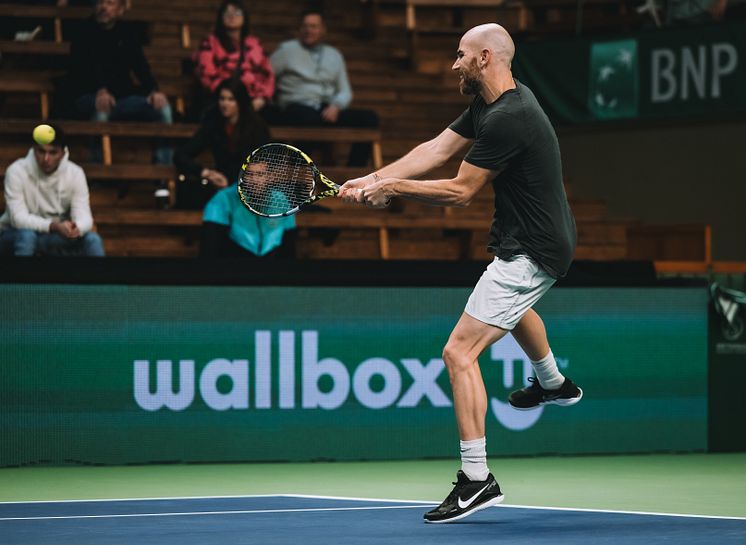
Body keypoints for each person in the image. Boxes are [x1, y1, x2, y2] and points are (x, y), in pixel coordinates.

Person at [340, 23, 581, 523]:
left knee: (458, 351)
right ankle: (554, 383)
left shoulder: (509, 118)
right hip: (535, 239)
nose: (454, 64)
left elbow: (460, 189)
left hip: (532, 249)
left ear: (485, 58)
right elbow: (437, 147)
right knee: (511, 309)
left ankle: (477, 479)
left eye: (460, 55)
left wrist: (398, 189)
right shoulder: (494, 104)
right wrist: (376, 178)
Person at [173, 78, 295, 257]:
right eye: (222, 99)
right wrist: (206, 173)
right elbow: (181, 155)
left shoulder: (256, 126)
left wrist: (242, 180)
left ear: (240, 102)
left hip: (251, 187)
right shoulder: (213, 123)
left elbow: (262, 162)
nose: (225, 104)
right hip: (222, 186)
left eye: (230, 99)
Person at [66, 0, 172, 164]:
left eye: (110, 3)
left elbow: (141, 66)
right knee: (102, 111)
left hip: (122, 97)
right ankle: (98, 169)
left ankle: (163, 172)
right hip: (87, 95)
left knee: (163, 109)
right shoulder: (82, 32)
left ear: (120, 10)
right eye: (100, 3)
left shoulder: (127, 33)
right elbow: (80, 70)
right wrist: (100, 90)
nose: (103, 7)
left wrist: (154, 90)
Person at [268, 9, 379, 167]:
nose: (309, 30)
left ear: (323, 30)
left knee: (369, 119)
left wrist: (336, 106)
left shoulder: (334, 55)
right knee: (308, 119)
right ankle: (296, 172)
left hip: (326, 110)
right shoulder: (286, 51)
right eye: (305, 26)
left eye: (314, 26)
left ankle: (353, 173)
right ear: (299, 29)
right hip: (296, 107)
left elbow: (345, 91)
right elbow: (266, 77)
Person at [0, 125, 105, 257]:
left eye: (53, 152)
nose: (46, 159)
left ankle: (103, 278)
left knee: (93, 240)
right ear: (33, 149)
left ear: (63, 153)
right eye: (41, 151)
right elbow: (18, 219)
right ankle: (22, 278)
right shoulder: (16, 171)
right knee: (27, 237)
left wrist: (75, 228)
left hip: (56, 236)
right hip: (15, 234)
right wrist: (54, 226)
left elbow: (85, 216)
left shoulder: (75, 173)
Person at [193, 0, 275, 115]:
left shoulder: (254, 44)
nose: (232, 17)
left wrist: (262, 98)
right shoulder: (209, 43)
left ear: (244, 18)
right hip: (222, 100)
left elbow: (267, 75)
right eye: (227, 14)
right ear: (221, 18)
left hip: (252, 100)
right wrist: (231, 99)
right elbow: (207, 75)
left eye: (237, 13)